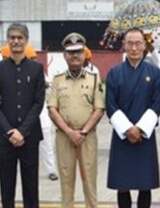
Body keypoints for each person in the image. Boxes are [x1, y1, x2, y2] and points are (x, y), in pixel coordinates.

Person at [0, 24, 46, 208]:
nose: (16, 41)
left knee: (31, 186)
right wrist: (10, 131)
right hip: (6, 138)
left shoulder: (36, 69)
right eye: (12, 37)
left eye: (20, 38)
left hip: (29, 136)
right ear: (8, 40)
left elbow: (38, 102)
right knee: (6, 186)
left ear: (27, 41)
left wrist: (22, 131)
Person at [106, 28, 160, 208]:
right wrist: (127, 129)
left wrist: (140, 129)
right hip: (122, 135)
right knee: (122, 185)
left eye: (138, 43)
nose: (134, 48)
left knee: (144, 185)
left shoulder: (154, 73)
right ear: (124, 46)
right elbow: (111, 105)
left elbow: (157, 104)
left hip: (144, 136)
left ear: (144, 45)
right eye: (130, 43)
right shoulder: (114, 73)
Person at [48, 33, 106, 208]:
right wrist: (69, 132)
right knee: (66, 180)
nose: (75, 56)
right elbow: (52, 109)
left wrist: (83, 131)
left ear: (84, 54)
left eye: (78, 52)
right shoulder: (57, 80)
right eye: (71, 52)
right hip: (64, 137)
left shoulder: (94, 78)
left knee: (89, 179)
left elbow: (99, 108)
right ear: (65, 55)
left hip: (87, 137)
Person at [20, 44, 59, 182]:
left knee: (47, 144)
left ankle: (51, 170)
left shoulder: (39, 72)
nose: (34, 60)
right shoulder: (19, 72)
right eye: (32, 58)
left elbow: (50, 91)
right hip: (26, 118)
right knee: (28, 148)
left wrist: (46, 85)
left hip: (42, 116)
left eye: (35, 58)